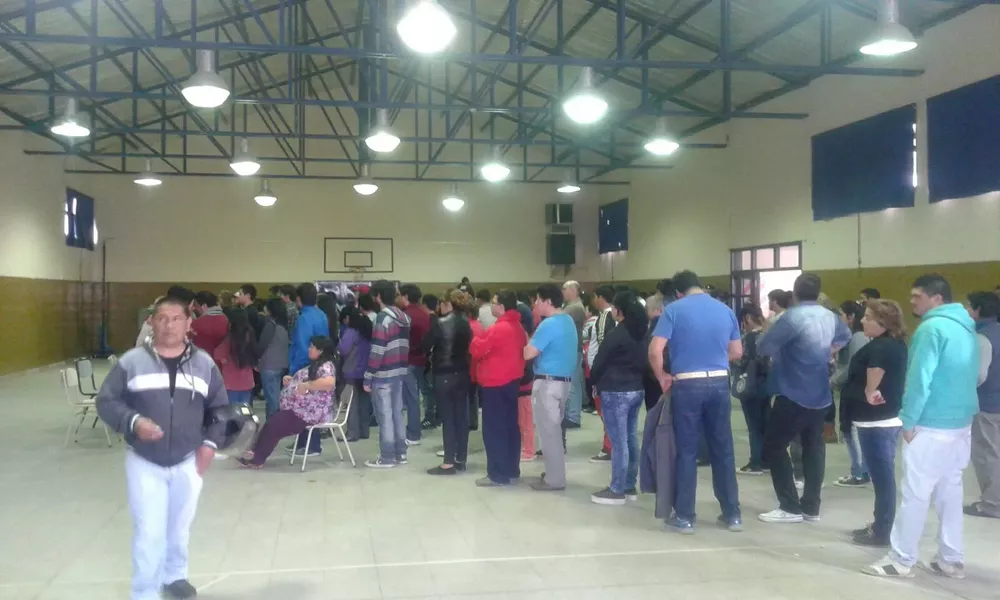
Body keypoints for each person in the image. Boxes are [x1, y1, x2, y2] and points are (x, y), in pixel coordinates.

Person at [96, 296, 228, 600]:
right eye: (162, 318)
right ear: (151, 322)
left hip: (188, 460)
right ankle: (144, 592)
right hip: (145, 461)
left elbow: (220, 409)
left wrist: (210, 444)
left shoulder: (204, 364)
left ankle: (175, 576)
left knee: (180, 525)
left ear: (189, 323)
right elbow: (106, 401)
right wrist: (133, 421)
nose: (169, 325)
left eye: (176, 318)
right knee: (149, 531)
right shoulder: (131, 362)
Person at [864, 275, 979, 578]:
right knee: (950, 491)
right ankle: (951, 559)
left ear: (936, 298)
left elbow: (919, 379)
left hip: (931, 423)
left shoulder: (931, 329)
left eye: (917, 296)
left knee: (915, 493)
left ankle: (901, 559)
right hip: (961, 422)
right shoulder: (966, 327)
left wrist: (909, 419)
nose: (912, 301)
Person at [648, 270, 743, 534]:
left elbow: (655, 350)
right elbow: (737, 351)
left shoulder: (673, 310)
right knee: (723, 449)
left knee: (687, 450)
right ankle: (732, 514)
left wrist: (662, 376)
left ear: (678, 292)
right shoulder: (725, 310)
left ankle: (685, 517)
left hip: (687, 384)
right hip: (719, 382)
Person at [756, 273, 850, 525]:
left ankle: (789, 506)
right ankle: (811, 506)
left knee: (774, 446)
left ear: (794, 293)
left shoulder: (791, 317)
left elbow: (764, 347)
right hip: (820, 392)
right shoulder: (829, 316)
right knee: (814, 447)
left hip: (792, 390)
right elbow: (845, 336)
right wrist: (826, 352)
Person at [841, 300, 908, 548]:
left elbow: (875, 371)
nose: (862, 320)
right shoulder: (894, 343)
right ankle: (881, 524)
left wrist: (870, 392)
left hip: (876, 422)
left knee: (882, 477)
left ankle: (882, 530)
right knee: (883, 475)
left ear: (883, 322)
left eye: (868, 317)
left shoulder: (881, 346)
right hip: (884, 419)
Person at [238, 336, 337, 469]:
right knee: (272, 422)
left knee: (275, 425)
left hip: (310, 413)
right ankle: (254, 452)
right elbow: (309, 380)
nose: (309, 349)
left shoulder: (326, 366)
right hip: (301, 410)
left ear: (321, 351)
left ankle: (257, 459)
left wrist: (306, 385)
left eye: (312, 347)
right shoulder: (317, 364)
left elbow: (329, 382)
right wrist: (293, 381)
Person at [589, 290, 647, 505]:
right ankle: (629, 484)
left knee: (618, 441)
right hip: (636, 389)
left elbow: (600, 361)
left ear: (620, 310)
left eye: (614, 307)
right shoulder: (641, 332)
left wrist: (593, 381)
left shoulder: (617, 333)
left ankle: (616, 489)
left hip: (615, 391)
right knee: (630, 438)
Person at [470, 290, 528, 487]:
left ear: (502, 307)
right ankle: (511, 469)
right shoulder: (517, 327)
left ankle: (497, 474)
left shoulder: (499, 328)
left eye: (493, 303)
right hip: (512, 381)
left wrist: (475, 339)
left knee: (494, 430)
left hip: (495, 383)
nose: (491, 306)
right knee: (510, 427)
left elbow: (478, 349)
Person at [525, 283, 579, 492]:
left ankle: (554, 479)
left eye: (538, 300)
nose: (535, 305)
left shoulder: (548, 324)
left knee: (549, 433)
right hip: (563, 381)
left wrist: (527, 340)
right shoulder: (567, 320)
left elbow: (528, 353)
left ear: (547, 301)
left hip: (548, 383)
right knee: (554, 431)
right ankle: (553, 473)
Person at [423, 289, 474, 475]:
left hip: (444, 373)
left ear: (448, 304)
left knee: (448, 418)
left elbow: (425, 345)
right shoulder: (466, 323)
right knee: (461, 418)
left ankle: (448, 462)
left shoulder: (440, 323)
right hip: (462, 373)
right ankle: (461, 459)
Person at [364, 280, 412, 468]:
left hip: (383, 374)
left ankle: (387, 457)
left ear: (378, 296)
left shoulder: (382, 318)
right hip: (400, 371)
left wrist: (369, 375)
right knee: (397, 414)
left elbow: (377, 349)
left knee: (385, 417)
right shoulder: (405, 317)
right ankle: (401, 453)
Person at [964, 291, 1000, 519]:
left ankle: (992, 504)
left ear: (978, 310)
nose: (966, 311)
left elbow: (979, 375)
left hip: (987, 404)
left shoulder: (982, 338)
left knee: (987, 454)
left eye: (968, 306)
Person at [832, 300, 872, 487]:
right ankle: (859, 470)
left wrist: (832, 381)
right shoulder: (851, 336)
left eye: (840, 314)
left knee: (853, 432)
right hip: (852, 390)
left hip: (856, 392)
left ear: (851, 317)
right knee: (850, 431)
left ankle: (860, 472)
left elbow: (853, 366)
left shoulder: (858, 337)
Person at [288, 283, 329, 457]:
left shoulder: (304, 318)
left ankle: (311, 445)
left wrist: (294, 370)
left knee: (303, 406)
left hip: (304, 365)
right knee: (312, 405)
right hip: (320, 363)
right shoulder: (322, 315)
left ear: (299, 299)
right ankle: (303, 442)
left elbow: (302, 346)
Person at [735, 303, 769, 476]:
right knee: (765, 424)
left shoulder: (748, 338)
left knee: (754, 426)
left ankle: (755, 463)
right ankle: (767, 460)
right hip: (766, 384)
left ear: (747, 318)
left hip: (750, 385)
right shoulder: (767, 335)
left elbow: (741, 360)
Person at [399, 283, 432, 445]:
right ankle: (413, 429)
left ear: (405, 296)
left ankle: (413, 434)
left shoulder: (405, 315)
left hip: (408, 359)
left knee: (411, 399)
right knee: (416, 396)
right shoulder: (424, 314)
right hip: (421, 359)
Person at [588, 285, 616, 462]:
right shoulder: (612, 315)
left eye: (594, 297)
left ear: (600, 298)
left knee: (605, 410)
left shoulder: (605, 316)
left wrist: (598, 371)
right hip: (607, 371)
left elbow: (603, 345)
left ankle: (609, 447)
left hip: (603, 372)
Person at [338, 306, 373, 442]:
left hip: (351, 370)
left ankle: (352, 433)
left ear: (348, 318)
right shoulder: (367, 331)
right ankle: (364, 430)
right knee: (364, 403)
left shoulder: (351, 332)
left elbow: (343, 349)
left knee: (351, 403)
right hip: (366, 370)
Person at [212, 308, 257, 408]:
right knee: (245, 410)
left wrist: (223, 359)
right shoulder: (250, 336)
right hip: (247, 382)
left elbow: (217, 353)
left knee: (232, 411)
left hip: (231, 383)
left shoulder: (229, 339)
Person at [257, 298, 289, 418]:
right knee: (275, 396)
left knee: (272, 400)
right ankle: (273, 422)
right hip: (281, 364)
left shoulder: (270, 325)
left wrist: (257, 360)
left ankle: (273, 424)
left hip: (269, 365)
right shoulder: (284, 326)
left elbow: (262, 345)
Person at [561, 280, 587, 429]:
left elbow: (557, 318)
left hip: (572, 349)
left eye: (564, 289)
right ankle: (571, 414)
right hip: (571, 348)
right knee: (571, 383)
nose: (563, 292)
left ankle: (573, 416)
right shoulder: (572, 306)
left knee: (573, 383)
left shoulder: (575, 308)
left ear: (572, 290)